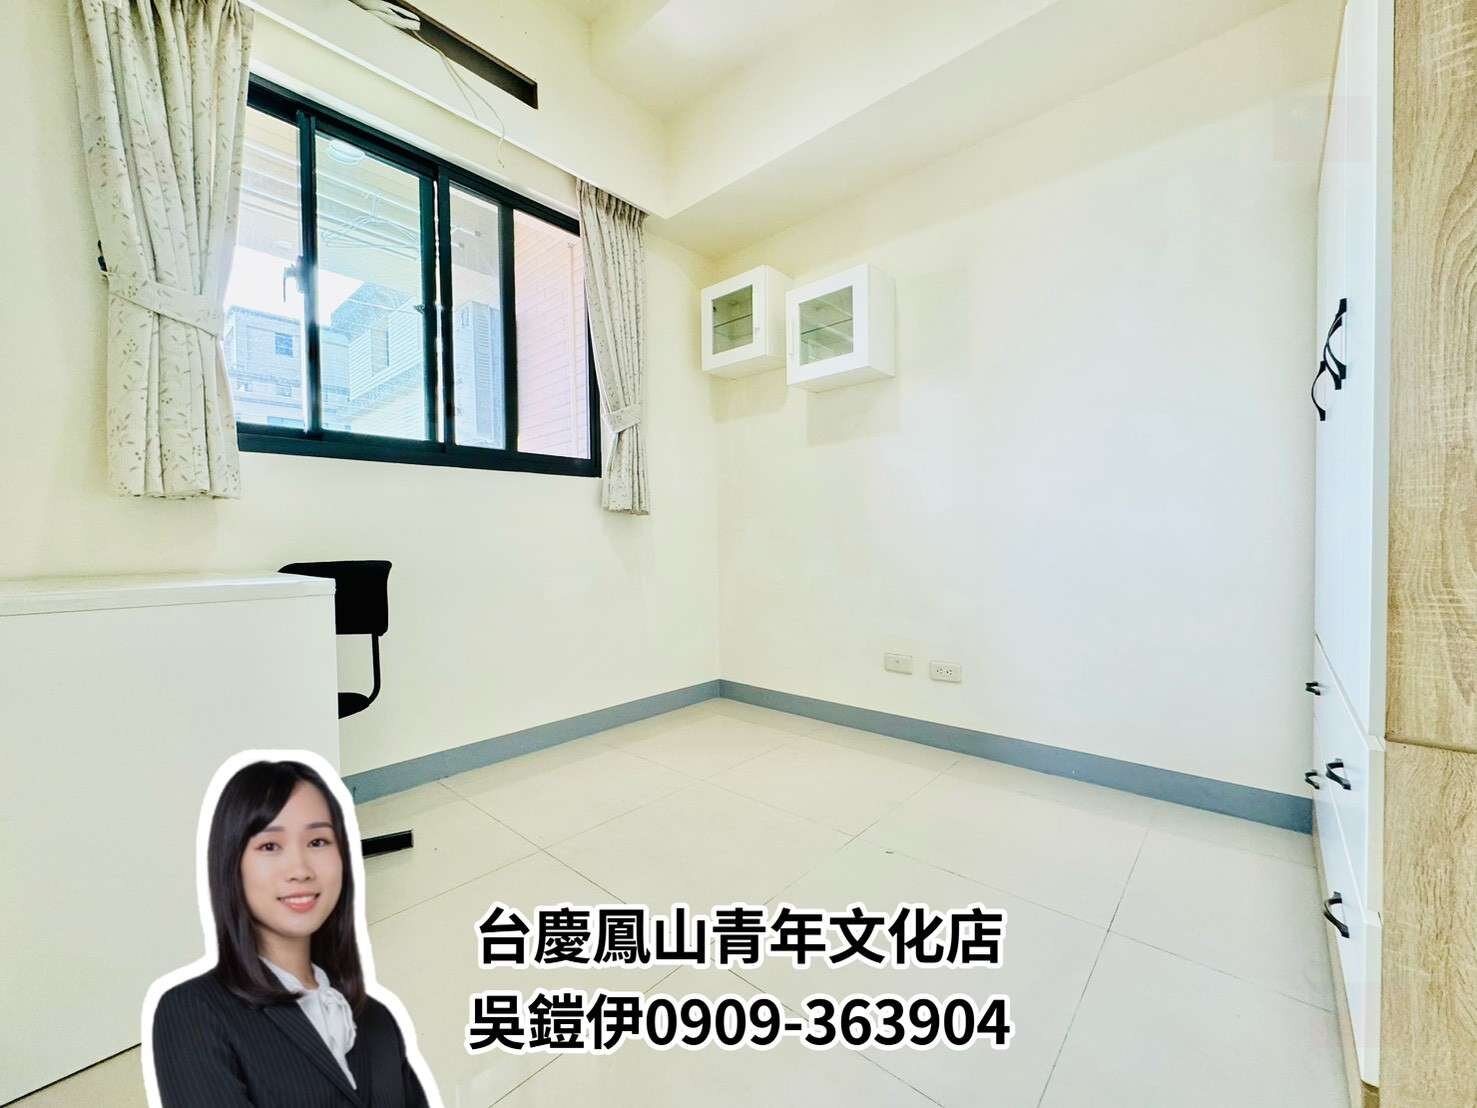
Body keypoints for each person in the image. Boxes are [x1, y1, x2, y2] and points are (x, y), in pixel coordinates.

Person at [150, 760, 432, 1107]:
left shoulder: (377, 1019)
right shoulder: (193, 1013)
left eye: (318, 841)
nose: (300, 870)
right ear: (231, 863)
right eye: (270, 846)